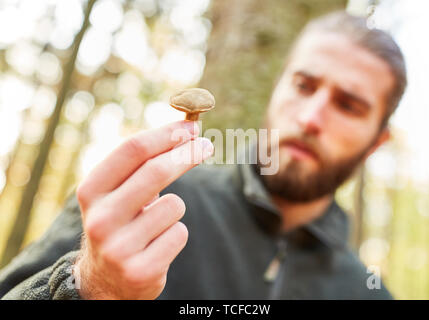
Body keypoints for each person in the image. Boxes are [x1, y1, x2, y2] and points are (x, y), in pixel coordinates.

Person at [0, 10, 407, 300]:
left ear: (377, 142)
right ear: (277, 86)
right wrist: (90, 287)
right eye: (303, 85)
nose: (311, 116)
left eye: (348, 105)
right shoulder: (136, 204)